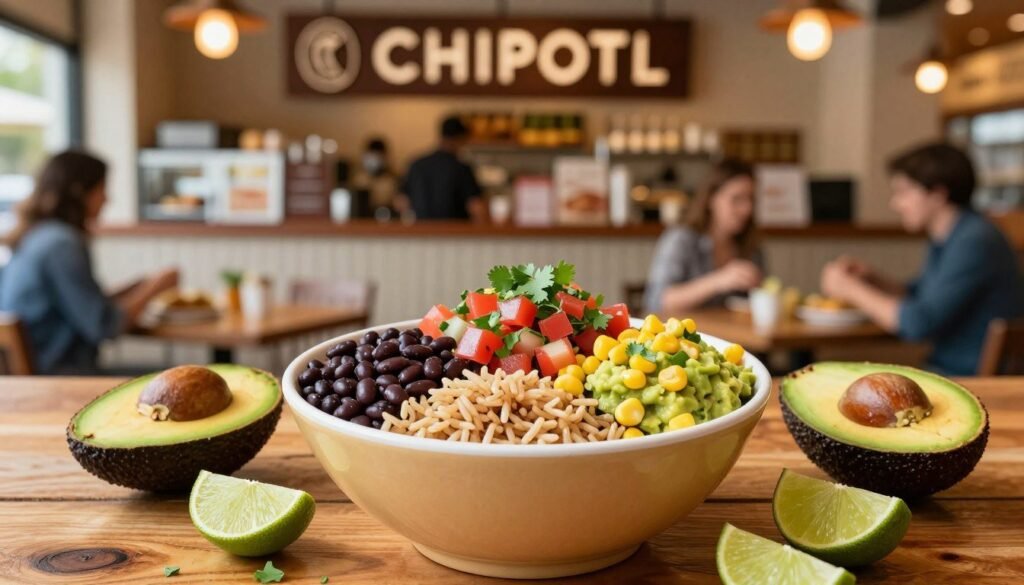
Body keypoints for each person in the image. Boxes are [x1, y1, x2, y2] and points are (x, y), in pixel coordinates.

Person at [820, 142, 1023, 376]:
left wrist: (850, 289)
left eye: (903, 192)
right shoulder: (953, 234)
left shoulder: (974, 241)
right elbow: (923, 297)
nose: (895, 204)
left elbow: (919, 324)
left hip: (972, 381)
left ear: (937, 194)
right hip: (950, 370)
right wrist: (874, 279)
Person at [0, 150, 179, 374]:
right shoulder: (61, 245)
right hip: (59, 377)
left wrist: (138, 287)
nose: (107, 199)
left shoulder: (36, 236)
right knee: (176, 376)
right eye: (102, 189)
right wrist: (156, 287)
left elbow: (85, 307)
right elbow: (105, 326)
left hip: (33, 376)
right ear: (79, 191)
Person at [644, 158, 763, 316]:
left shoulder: (751, 246)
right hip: (685, 338)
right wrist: (718, 281)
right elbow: (657, 301)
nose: (747, 209)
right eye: (736, 199)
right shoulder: (681, 239)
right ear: (711, 199)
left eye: (751, 199)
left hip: (733, 337)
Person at [398, 116, 486, 221]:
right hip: (455, 233)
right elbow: (476, 207)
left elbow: (401, 202)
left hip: (421, 231)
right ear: (460, 138)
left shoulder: (417, 164)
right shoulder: (461, 168)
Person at [351, 137, 399, 218]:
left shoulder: (392, 180)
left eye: (377, 156)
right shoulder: (359, 179)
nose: (373, 160)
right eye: (371, 155)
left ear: (384, 157)